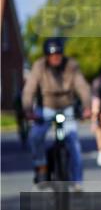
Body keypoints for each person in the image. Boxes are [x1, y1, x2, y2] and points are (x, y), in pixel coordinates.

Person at [22, 37, 92, 184]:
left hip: (67, 107)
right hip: (46, 107)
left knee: (73, 142)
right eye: (52, 56)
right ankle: (41, 166)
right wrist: (28, 109)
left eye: (58, 55)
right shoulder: (39, 66)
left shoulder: (71, 65)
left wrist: (87, 107)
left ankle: (77, 181)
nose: (55, 59)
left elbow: (82, 87)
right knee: (35, 136)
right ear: (47, 56)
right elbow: (29, 89)